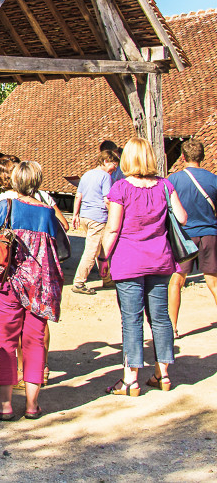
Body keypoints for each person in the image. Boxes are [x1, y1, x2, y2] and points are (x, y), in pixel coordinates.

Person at [99, 137, 187, 395]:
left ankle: (130, 379)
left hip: (128, 262)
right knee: (160, 318)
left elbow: (113, 227)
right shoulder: (165, 186)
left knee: (132, 319)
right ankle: (163, 374)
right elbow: (182, 217)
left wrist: (104, 259)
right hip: (160, 260)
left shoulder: (120, 189)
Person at [0, 161, 64, 420]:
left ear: (14, 182)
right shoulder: (48, 212)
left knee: (5, 341)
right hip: (39, 286)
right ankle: (32, 405)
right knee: (34, 341)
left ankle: (4, 405)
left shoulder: (6, 206)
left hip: (7, 284)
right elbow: (56, 245)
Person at [167, 139, 217, 336]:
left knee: (176, 281)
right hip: (210, 234)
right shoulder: (214, 180)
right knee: (213, 281)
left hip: (184, 236)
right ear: (202, 157)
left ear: (183, 157)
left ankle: (172, 328)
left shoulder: (173, 180)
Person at [70, 148, 121, 295]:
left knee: (102, 249)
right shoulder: (105, 177)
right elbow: (107, 200)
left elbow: (78, 196)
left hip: (85, 216)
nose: (114, 170)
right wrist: (114, 215)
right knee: (91, 251)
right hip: (98, 218)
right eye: (113, 165)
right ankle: (79, 282)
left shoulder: (86, 175)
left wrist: (75, 214)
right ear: (105, 161)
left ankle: (107, 279)